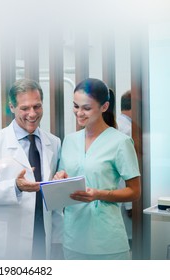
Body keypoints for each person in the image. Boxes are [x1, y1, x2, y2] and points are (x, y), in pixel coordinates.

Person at [0, 78, 63, 260]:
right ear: (12, 107)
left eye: (37, 106)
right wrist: (15, 187)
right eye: (25, 108)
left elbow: (54, 200)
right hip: (6, 241)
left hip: (42, 235)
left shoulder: (53, 142)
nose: (32, 114)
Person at [54, 78, 141, 260]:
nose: (79, 113)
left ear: (104, 106)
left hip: (107, 242)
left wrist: (99, 194)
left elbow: (134, 192)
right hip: (73, 238)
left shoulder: (120, 142)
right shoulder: (69, 140)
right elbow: (64, 177)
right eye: (76, 106)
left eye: (86, 108)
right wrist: (60, 178)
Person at [117, 90, 133, 245]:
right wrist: (130, 203)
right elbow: (125, 169)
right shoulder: (128, 130)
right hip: (123, 195)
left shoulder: (118, 124)